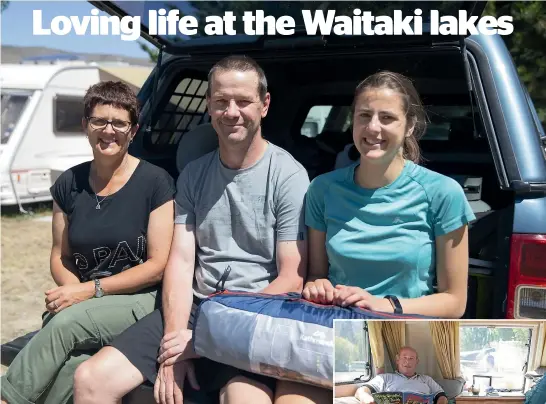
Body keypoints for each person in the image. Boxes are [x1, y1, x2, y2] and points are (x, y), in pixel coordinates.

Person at [72, 55, 326, 404]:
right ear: (208, 106)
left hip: (255, 314)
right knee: (90, 380)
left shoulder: (289, 176)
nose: (231, 111)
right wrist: (175, 343)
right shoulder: (193, 174)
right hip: (195, 308)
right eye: (221, 101)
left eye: (243, 101)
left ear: (264, 105)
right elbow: (180, 262)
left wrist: (207, 336)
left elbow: (290, 280)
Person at [0, 81, 175, 404]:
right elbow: (60, 256)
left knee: (64, 323)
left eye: (119, 123)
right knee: (75, 367)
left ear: (133, 131)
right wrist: (72, 290)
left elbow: (157, 266)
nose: (109, 131)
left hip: (142, 300)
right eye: (99, 121)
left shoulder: (155, 183)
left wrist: (86, 293)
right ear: (85, 126)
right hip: (85, 302)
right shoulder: (69, 183)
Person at [302, 71, 475, 318]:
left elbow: (454, 302)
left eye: (387, 118)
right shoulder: (322, 189)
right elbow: (316, 274)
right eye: (364, 116)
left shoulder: (443, 193)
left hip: (405, 338)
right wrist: (316, 286)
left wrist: (385, 305)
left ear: (409, 126)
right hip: (337, 332)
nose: (373, 128)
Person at [354, 347, 448, 404]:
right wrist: (365, 398)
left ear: (417, 362)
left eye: (411, 358)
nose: (407, 361)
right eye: (404, 358)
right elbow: (361, 391)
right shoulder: (385, 378)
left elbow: (442, 396)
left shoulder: (426, 379)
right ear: (397, 360)